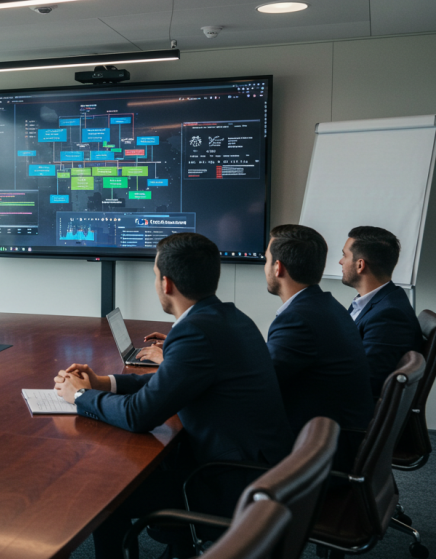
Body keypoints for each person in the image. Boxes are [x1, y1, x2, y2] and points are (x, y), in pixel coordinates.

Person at [53, 232, 292, 559]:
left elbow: (139, 416)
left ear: (166, 284)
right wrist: (103, 383)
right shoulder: (231, 318)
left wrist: (79, 397)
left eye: (154, 275)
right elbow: (169, 382)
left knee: (104, 498)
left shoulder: (194, 331)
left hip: (229, 482)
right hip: (256, 469)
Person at [263, 224, 373, 434]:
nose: (265, 267)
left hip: (318, 446)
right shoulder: (325, 305)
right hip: (333, 431)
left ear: (278, 267)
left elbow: (260, 380)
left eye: (266, 260)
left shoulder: (299, 319)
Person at [339, 226, 424, 398]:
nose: (341, 261)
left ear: (360, 265)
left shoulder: (389, 315)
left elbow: (367, 380)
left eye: (345, 255)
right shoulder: (374, 302)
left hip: (352, 416)